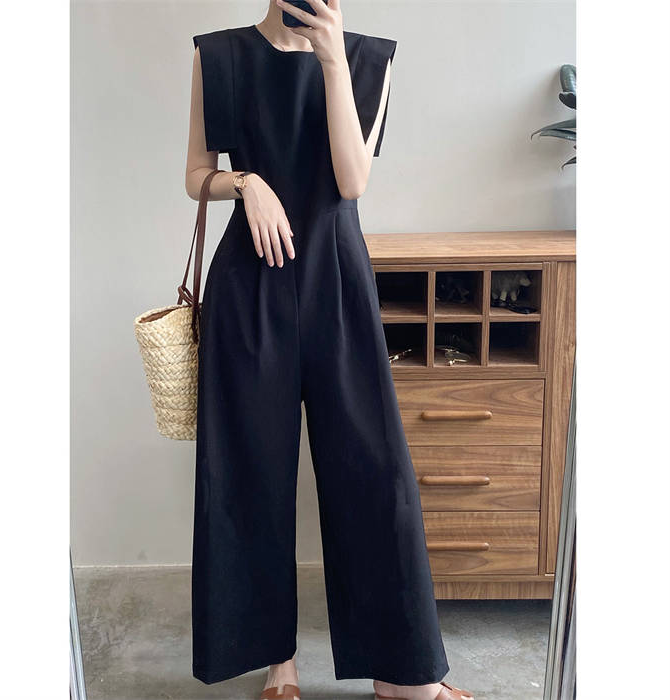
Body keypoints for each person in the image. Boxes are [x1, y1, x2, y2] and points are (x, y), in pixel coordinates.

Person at [185, 2, 474, 700]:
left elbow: (351, 180)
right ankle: (277, 664)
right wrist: (245, 183)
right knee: (249, 476)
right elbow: (196, 174)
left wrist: (334, 60)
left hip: (337, 281)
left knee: (376, 475)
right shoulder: (218, 55)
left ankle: (401, 675)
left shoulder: (368, 58)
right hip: (249, 284)